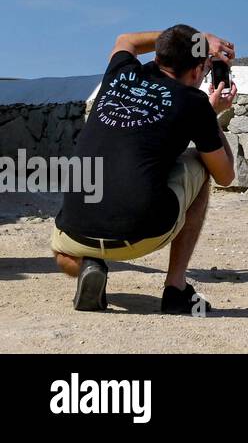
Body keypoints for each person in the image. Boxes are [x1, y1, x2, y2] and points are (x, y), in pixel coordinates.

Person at [50, 26, 237, 314]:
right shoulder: (194, 102)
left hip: (75, 233)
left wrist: (202, 38)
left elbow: (126, 40)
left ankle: (88, 265)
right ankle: (176, 288)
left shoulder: (121, 72)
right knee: (201, 161)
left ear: (160, 55)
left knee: (62, 252)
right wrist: (212, 117)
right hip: (141, 235)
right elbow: (226, 176)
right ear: (197, 71)